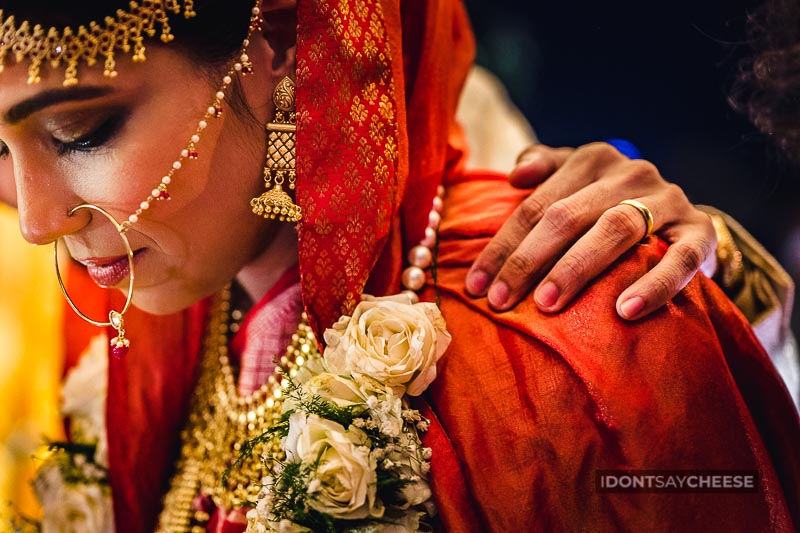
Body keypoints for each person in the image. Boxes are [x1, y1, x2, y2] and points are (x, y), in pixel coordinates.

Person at [0, 1, 797, 531]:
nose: (35, 223)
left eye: (82, 130)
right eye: (0, 148)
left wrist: (725, 280)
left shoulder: (564, 342)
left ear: (273, 44)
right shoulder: (155, 313)